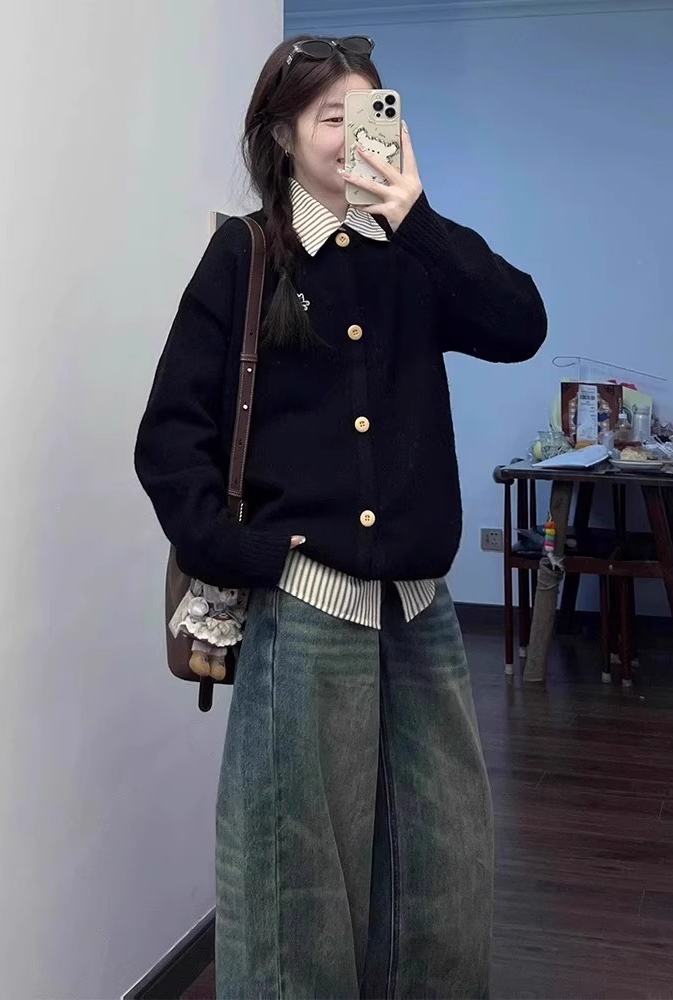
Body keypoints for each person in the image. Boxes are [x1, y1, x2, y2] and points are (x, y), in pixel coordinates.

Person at [135, 33, 547, 1000]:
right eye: (331, 116)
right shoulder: (244, 254)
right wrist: (238, 553)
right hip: (306, 603)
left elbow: (520, 326)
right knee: (297, 876)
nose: (355, 133)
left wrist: (416, 216)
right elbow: (171, 434)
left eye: (370, 111)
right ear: (282, 135)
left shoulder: (412, 253)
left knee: (442, 861)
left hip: (420, 608)